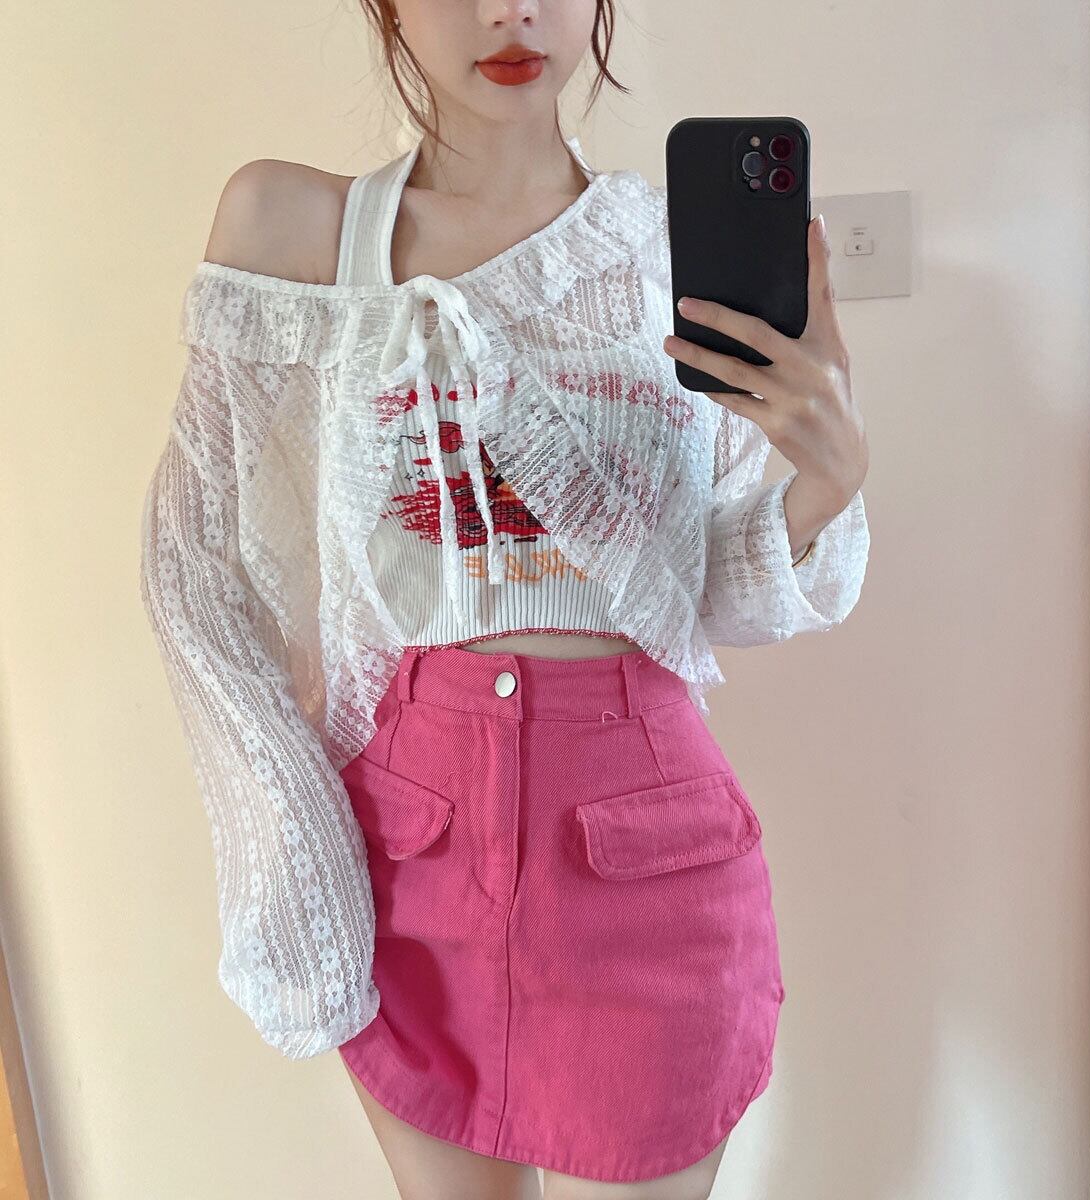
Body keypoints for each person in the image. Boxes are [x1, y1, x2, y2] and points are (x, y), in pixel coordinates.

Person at [138, 1, 870, 1196]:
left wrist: (826, 486)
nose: (510, 10)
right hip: (408, 857)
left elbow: (703, 595)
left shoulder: (670, 253)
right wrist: (296, 859)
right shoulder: (296, 229)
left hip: (651, 861)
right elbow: (198, 577)